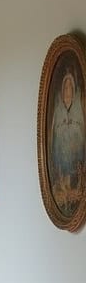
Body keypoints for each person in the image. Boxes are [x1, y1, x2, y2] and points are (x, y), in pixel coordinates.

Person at [50, 68, 85, 213]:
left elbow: (81, 128)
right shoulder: (58, 108)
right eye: (66, 86)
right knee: (60, 144)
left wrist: (73, 130)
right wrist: (63, 129)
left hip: (75, 147)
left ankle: (73, 185)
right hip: (61, 149)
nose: (68, 89)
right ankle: (63, 183)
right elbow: (54, 131)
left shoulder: (77, 106)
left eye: (70, 86)